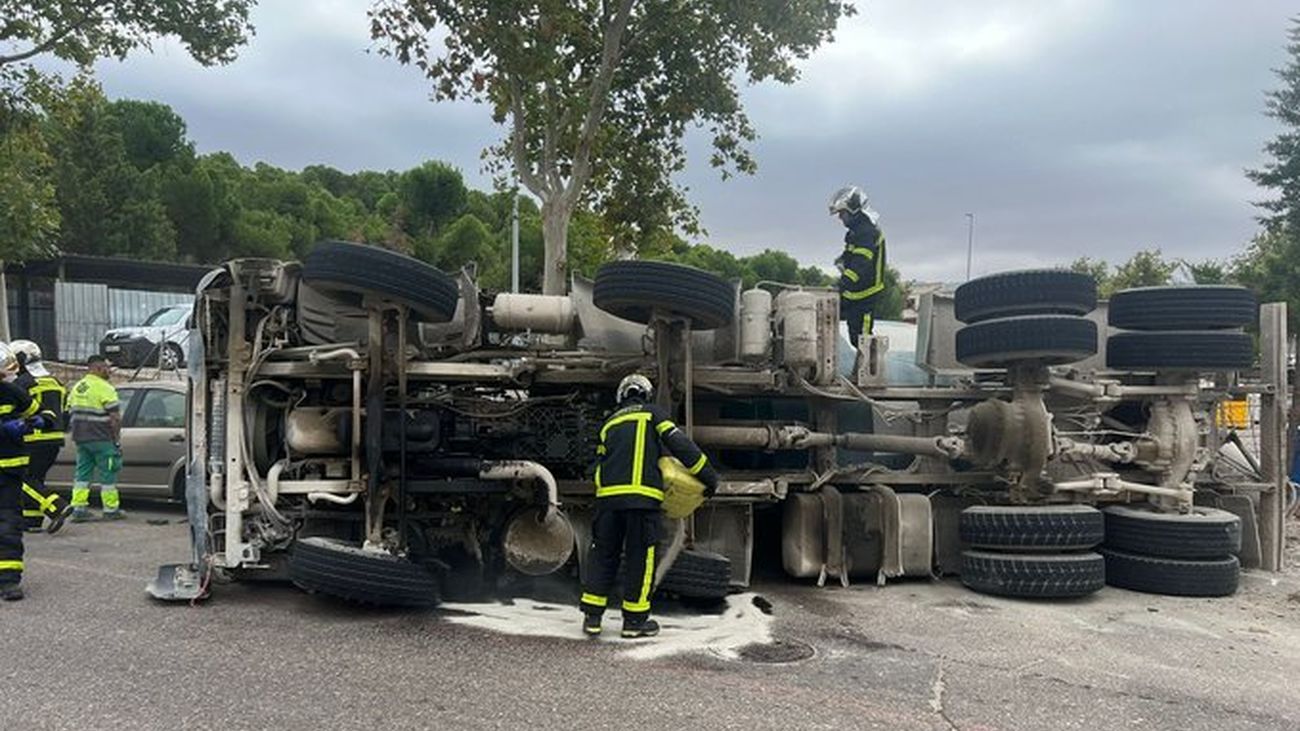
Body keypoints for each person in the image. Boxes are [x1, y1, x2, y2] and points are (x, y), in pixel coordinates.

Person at [579, 374, 719, 638]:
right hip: (641, 502)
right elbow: (681, 446)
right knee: (640, 559)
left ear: (622, 395)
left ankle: (592, 619)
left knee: (602, 555)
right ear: (646, 395)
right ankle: (634, 622)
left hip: (608, 502)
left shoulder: (609, 423)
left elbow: (596, 466)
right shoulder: (653, 414)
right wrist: (709, 478)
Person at [11, 340, 73, 534]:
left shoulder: (22, 383)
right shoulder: (55, 382)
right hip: (54, 440)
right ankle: (32, 521)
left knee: (20, 479)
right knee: (35, 479)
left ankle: (57, 507)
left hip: (31, 439)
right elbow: (66, 412)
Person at [0, 342, 39, 600]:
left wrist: (35, 422)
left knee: (9, 525)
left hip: (8, 475)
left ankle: (8, 581)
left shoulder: (12, 392)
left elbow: (36, 412)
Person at [829, 185, 888, 350]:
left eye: (842, 213)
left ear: (853, 210)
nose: (840, 218)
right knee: (848, 333)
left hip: (865, 295)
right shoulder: (855, 232)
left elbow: (860, 265)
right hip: (854, 293)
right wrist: (842, 261)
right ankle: (862, 369)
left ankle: (871, 370)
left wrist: (840, 286)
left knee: (863, 339)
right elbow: (850, 258)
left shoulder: (867, 232)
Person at [68, 355, 124, 522]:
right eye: (106, 368)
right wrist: (116, 440)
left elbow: (70, 410)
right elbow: (115, 418)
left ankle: (79, 508)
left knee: (82, 475)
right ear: (98, 368)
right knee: (108, 474)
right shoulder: (105, 388)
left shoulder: (77, 387)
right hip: (101, 438)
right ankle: (110, 509)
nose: (109, 371)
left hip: (81, 439)